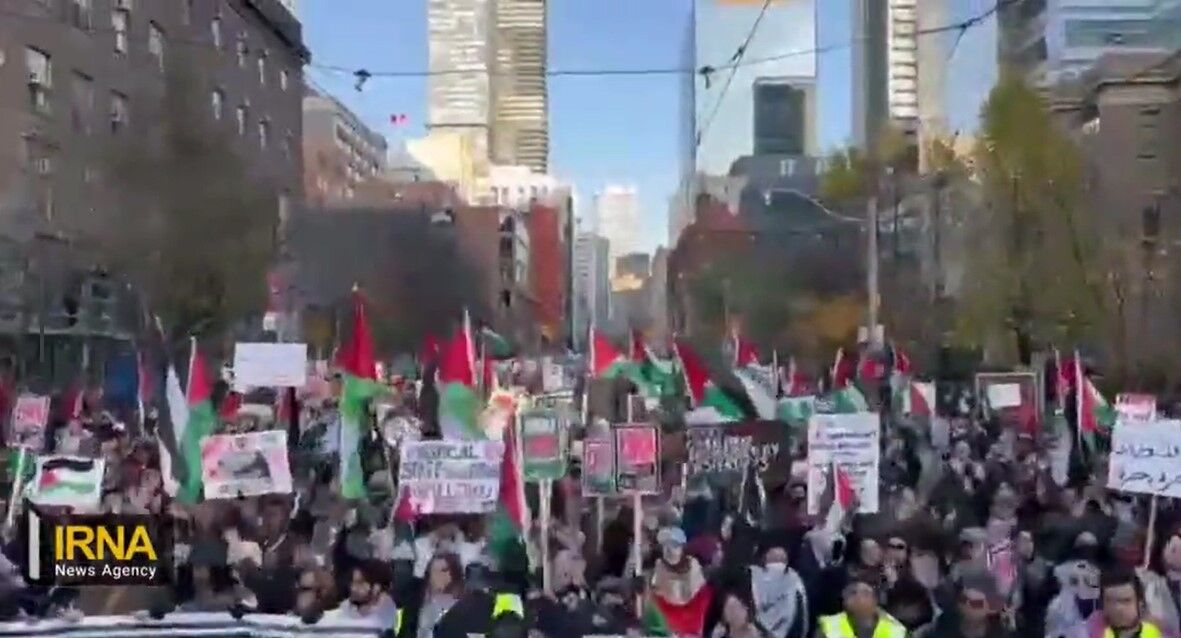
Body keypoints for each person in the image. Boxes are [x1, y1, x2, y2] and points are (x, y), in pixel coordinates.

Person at [1060, 567, 1176, 638]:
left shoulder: (1161, 634)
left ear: (1140, 604)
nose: (1117, 608)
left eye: (1125, 601)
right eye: (1110, 601)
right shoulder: (1082, 634)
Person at [917, 569, 1012, 638]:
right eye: (963, 600)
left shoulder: (1004, 633)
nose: (967, 606)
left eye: (977, 604)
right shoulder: (932, 633)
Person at [816, 572, 907, 638]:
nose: (858, 597)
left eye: (865, 593)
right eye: (852, 593)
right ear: (844, 600)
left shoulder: (897, 631)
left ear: (875, 600)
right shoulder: (828, 627)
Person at [323, 560, 398, 629]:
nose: (353, 588)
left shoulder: (386, 616)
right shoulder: (336, 613)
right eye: (352, 582)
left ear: (377, 587)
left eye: (360, 583)